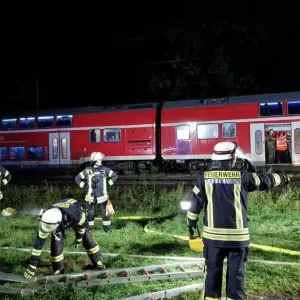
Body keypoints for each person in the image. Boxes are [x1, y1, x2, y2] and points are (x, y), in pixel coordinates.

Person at [187, 142, 290, 300]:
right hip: (238, 240)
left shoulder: (204, 178)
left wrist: (192, 229)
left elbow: (194, 207)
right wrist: (281, 178)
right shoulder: (243, 176)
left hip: (213, 241)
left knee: (212, 279)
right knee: (236, 279)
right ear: (233, 159)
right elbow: (264, 181)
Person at [24, 198, 105, 279]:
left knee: (87, 238)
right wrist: (32, 265)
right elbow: (38, 245)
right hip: (59, 217)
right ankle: (58, 269)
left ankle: (98, 262)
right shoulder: (46, 219)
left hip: (74, 213)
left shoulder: (75, 214)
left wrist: (79, 238)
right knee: (56, 244)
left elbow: (83, 226)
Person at [75, 152, 118, 232]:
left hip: (103, 196)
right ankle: (89, 230)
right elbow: (77, 179)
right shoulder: (88, 171)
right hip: (91, 197)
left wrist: (109, 183)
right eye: (99, 159)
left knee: (105, 213)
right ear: (95, 160)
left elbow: (115, 176)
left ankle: (107, 229)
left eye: (100, 159)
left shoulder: (104, 170)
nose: (101, 160)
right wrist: (84, 185)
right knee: (90, 214)